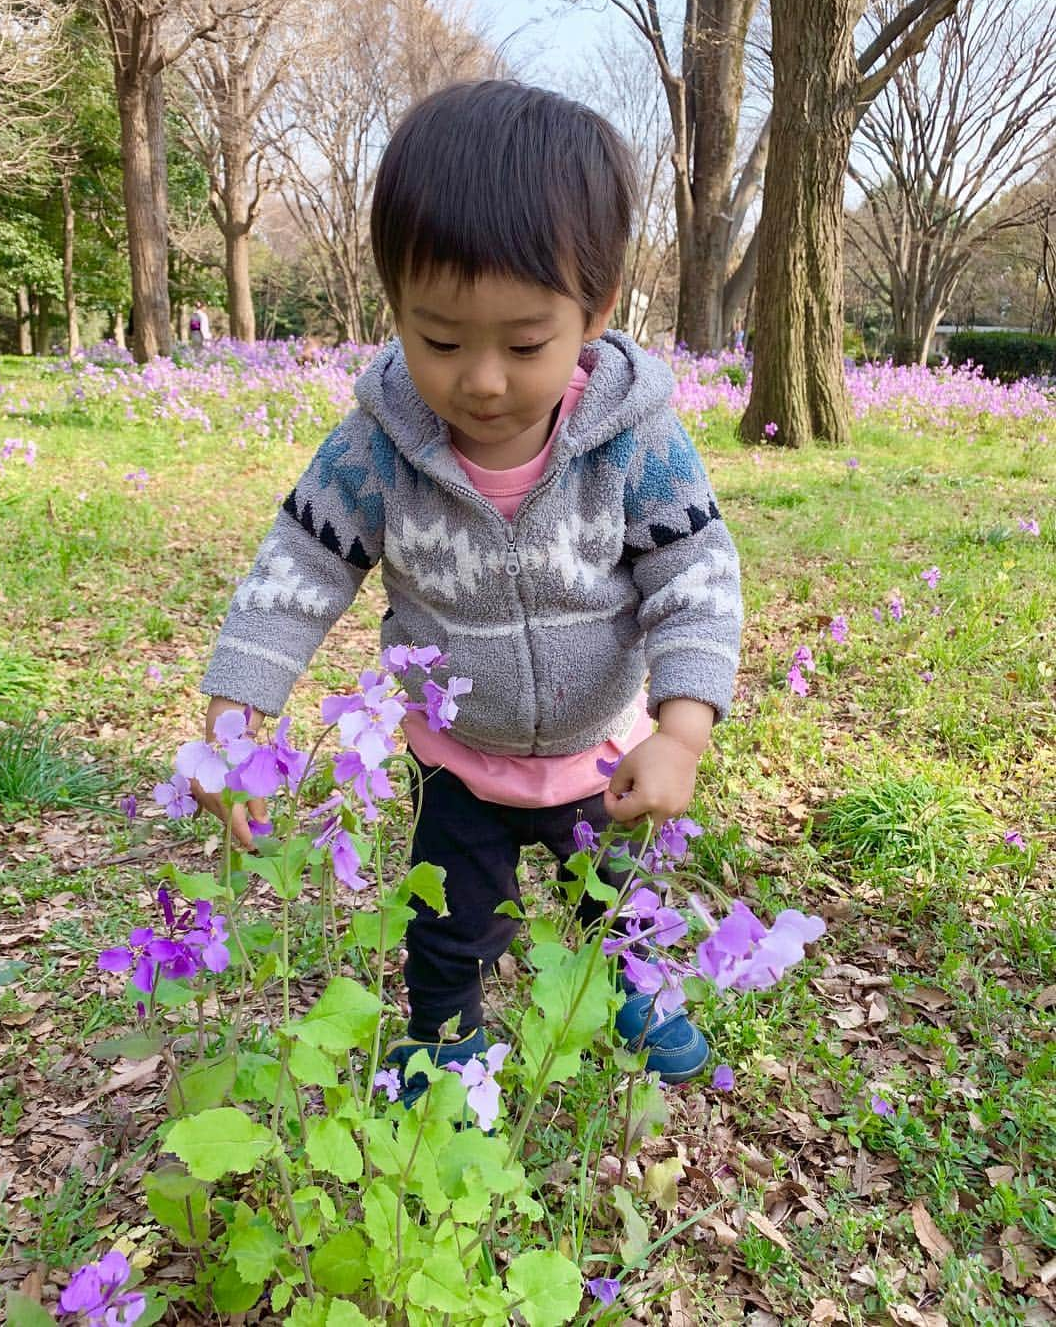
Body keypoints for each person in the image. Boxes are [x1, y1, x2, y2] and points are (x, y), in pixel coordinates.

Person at [195, 80, 743, 1094]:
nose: (481, 380)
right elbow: (303, 561)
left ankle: (631, 987)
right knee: (447, 930)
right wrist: (238, 713)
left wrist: (683, 730)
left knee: (618, 903)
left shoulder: (635, 442)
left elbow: (694, 572)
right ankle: (447, 1048)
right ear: (396, 307)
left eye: (525, 343)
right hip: (461, 761)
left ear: (597, 311)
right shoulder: (381, 445)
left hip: (605, 755)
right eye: (439, 339)